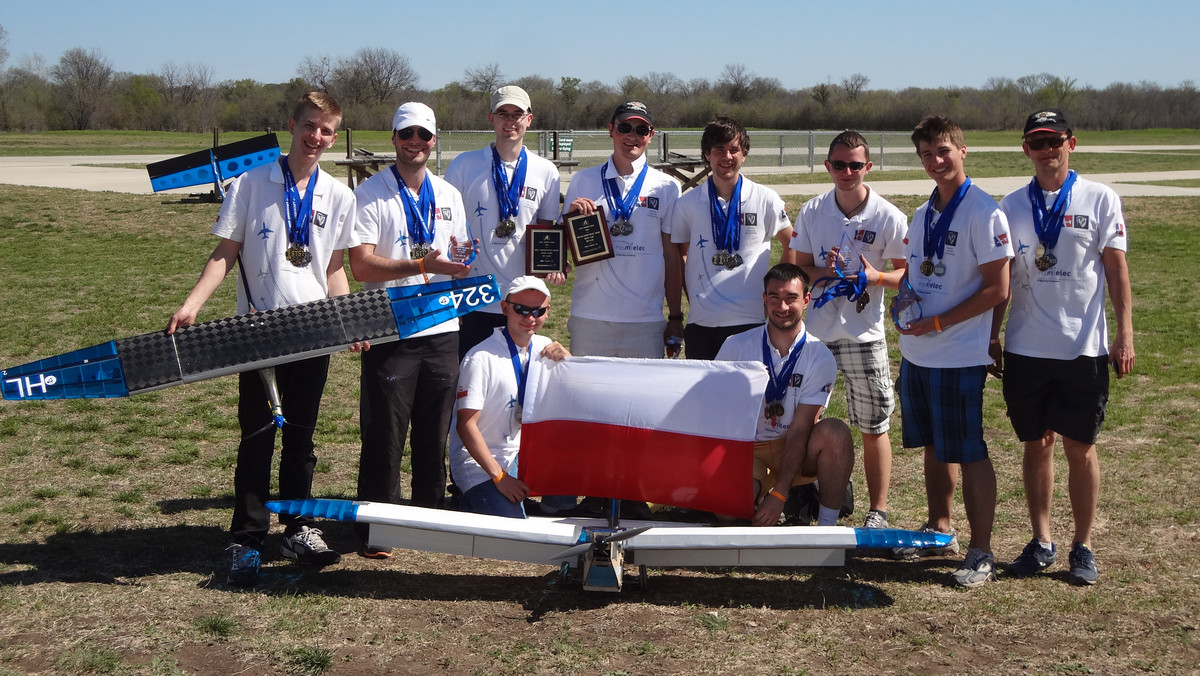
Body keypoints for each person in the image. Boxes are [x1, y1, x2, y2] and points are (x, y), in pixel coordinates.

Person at [166, 92, 357, 585]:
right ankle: (246, 536)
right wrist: (192, 304)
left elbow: (334, 268)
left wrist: (347, 322)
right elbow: (225, 252)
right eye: (310, 126)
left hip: (312, 333)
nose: (316, 137)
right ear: (292, 124)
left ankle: (297, 527)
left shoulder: (339, 194)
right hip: (259, 330)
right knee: (256, 438)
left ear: (335, 137)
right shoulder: (251, 184)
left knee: (301, 439)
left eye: (327, 131)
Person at [994, 109, 1134, 585]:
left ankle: (1083, 546)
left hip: (1083, 349)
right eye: (1037, 142)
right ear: (1025, 148)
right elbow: (1004, 278)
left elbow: (1116, 271)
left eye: (1054, 140)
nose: (1046, 149)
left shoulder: (1100, 198)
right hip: (1026, 349)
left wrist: (1124, 333)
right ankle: (1041, 541)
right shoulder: (1011, 205)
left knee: (1080, 447)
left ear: (1071, 143)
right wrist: (993, 334)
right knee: (1036, 445)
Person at [891, 115, 1013, 588]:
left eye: (943, 151)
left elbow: (998, 288)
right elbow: (917, 273)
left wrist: (939, 322)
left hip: (958, 353)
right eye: (926, 154)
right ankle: (940, 527)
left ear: (962, 151)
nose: (935, 161)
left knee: (969, 450)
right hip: (918, 352)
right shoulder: (923, 213)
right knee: (935, 447)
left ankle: (982, 551)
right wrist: (904, 299)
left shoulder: (985, 211)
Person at [349, 102, 471, 556]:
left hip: (442, 325)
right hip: (390, 328)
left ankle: (426, 518)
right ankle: (377, 527)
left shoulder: (449, 194)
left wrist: (461, 261)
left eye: (423, 135)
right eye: (406, 135)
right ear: (394, 139)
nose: (415, 143)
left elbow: (456, 252)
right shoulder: (371, 193)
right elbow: (361, 266)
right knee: (385, 433)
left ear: (434, 140)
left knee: (433, 431)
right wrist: (422, 263)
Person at [790, 131, 908, 530]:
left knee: (874, 426)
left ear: (868, 167)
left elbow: (906, 275)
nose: (847, 172)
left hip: (864, 335)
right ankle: (804, 492)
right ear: (827, 166)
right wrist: (829, 272)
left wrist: (874, 276)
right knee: (803, 419)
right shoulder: (812, 211)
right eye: (839, 164)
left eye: (855, 165)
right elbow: (799, 267)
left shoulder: (888, 215)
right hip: (817, 335)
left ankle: (878, 511)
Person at [715, 263, 853, 527]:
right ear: (764, 299)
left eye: (791, 298)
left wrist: (778, 494)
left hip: (793, 444)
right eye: (775, 297)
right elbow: (718, 413)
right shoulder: (736, 346)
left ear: (806, 300)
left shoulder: (819, 355)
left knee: (835, 433)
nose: (782, 307)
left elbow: (801, 430)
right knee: (726, 513)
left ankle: (826, 526)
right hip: (750, 448)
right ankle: (761, 498)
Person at [444, 85, 564, 360]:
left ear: (529, 119)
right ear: (491, 119)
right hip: (474, 297)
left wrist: (554, 263)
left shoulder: (546, 171)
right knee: (471, 380)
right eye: (503, 114)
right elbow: (447, 228)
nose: (510, 121)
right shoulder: (464, 165)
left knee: (514, 383)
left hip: (521, 301)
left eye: (517, 114)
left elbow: (545, 230)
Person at [561, 100, 683, 359]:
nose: (632, 136)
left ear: (651, 136)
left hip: (645, 319)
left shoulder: (668, 187)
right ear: (611, 130)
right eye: (625, 127)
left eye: (641, 130)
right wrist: (569, 220)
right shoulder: (583, 180)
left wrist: (674, 316)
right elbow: (565, 250)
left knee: (642, 398)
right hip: (590, 316)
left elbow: (672, 256)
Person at [671, 115, 796, 360]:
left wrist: (778, 293)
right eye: (719, 150)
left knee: (749, 398)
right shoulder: (687, 203)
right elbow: (681, 254)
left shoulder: (765, 198)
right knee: (705, 398)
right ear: (707, 154)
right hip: (702, 322)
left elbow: (791, 243)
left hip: (750, 321)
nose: (727, 157)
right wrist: (695, 297)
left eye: (734, 150)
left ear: (744, 154)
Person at [447, 276, 570, 518]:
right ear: (505, 308)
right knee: (513, 528)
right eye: (521, 310)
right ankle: (470, 498)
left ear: (548, 311)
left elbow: (575, 403)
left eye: (538, 310)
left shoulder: (547, 348)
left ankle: (548, 507)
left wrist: (570, 362)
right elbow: (465, 425)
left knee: (575, 458)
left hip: (523, 454)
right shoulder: (481, 357)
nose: (530, 318)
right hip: (483, 463)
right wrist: (500, 477)